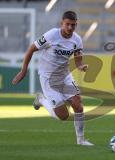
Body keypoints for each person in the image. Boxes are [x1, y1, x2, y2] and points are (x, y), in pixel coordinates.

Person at [12, 11, 94, 146]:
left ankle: (81, 140)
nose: (70, 28)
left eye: (73, 25)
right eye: (67, 24)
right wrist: (23, 70)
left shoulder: (77, 40)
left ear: (76, 25)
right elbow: (31, 49)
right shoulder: (51, 35)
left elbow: (78, 60)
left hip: (65, 76)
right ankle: (41, 99)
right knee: (63, 116)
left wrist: (81, 66)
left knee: (78, 105)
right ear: (62, 23)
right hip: (48, 77)